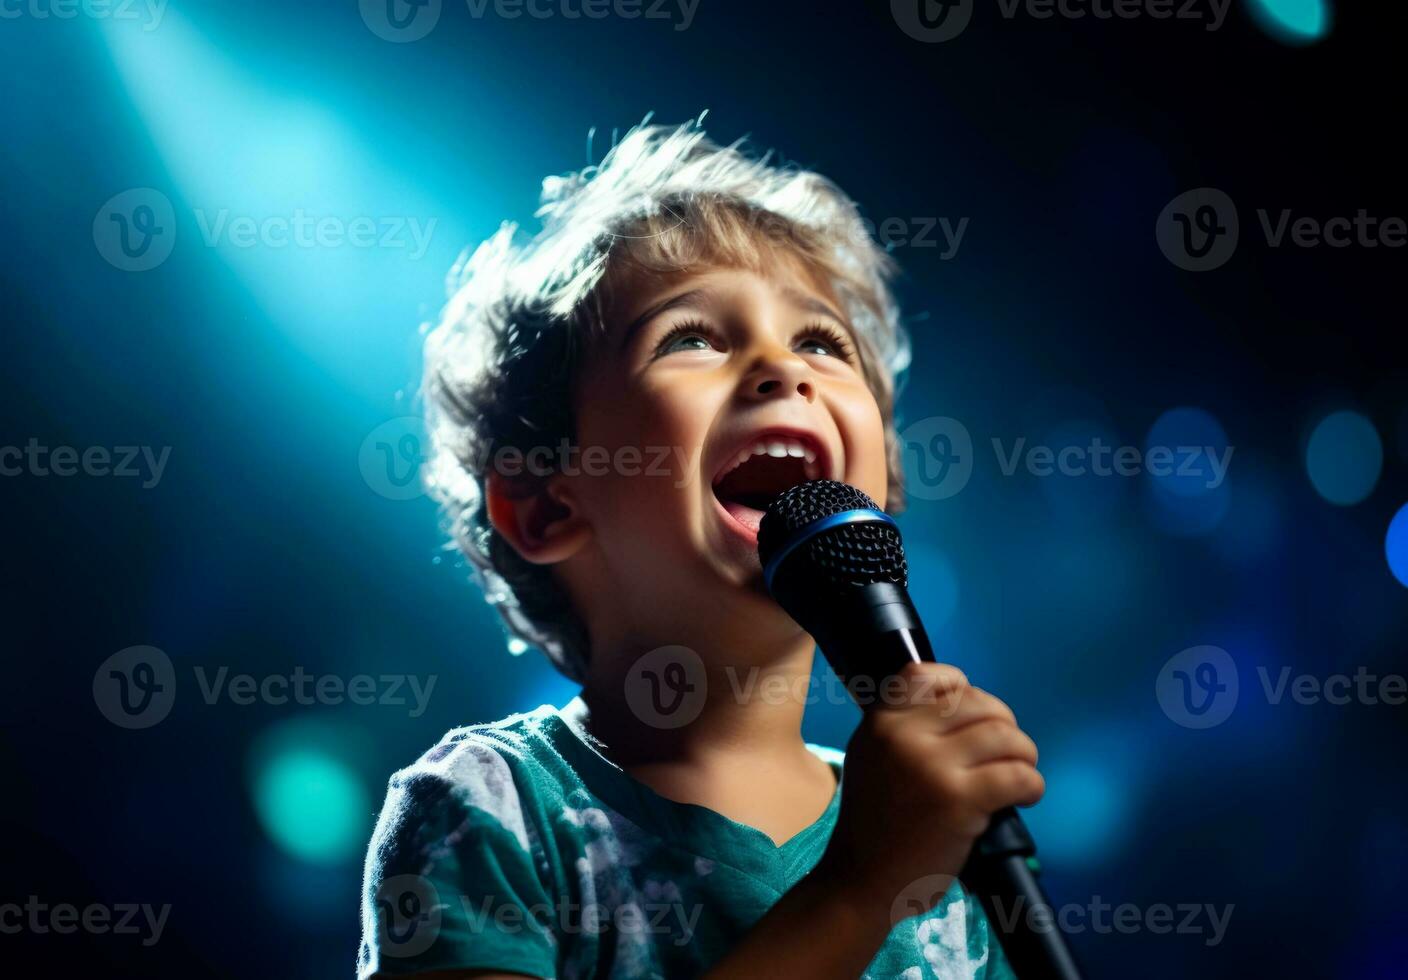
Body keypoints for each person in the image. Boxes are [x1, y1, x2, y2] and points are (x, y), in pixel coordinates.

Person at [358, 117, 1044, 979]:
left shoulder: (943, 847)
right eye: (692, 338)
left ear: (882, 492)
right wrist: (859, 889)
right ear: (544, 506)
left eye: (821, 343)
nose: (782, 369)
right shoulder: (489, 810)